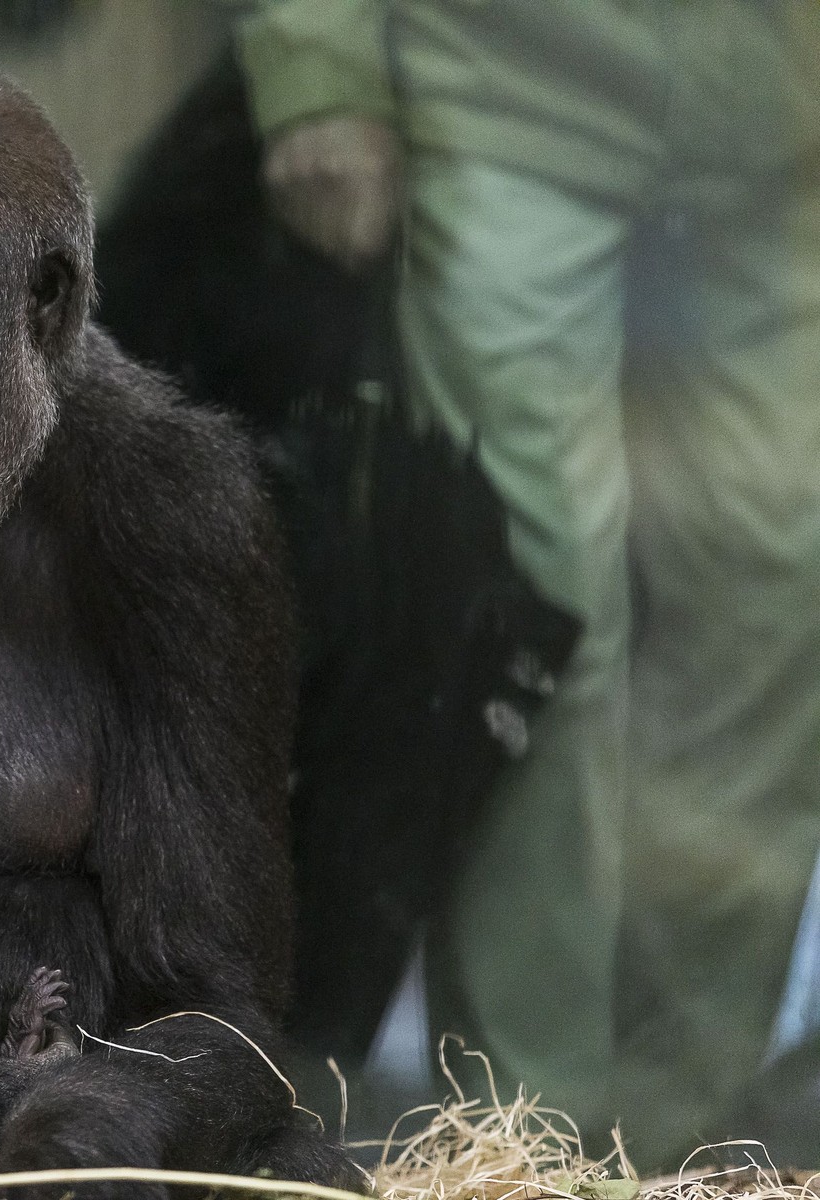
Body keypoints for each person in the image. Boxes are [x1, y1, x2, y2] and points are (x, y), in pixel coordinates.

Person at [228, 0, 820, 1166]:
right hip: (505, 85)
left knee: (776, 599)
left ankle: (681, 1142)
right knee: (536, 614)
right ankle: (524, 1139)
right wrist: (317, 59)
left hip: (783, 121)